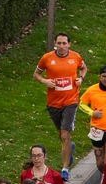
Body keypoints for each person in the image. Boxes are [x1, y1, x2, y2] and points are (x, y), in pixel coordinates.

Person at [34, 35, 87, 174]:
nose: (62, 46)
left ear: (69, 44)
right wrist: (45, 81)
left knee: (64, 134)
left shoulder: (75, 57)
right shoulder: (47, 58)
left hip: (70, 101)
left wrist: (81, 79)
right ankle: (70, 148)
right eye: (59, 43)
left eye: (64, 43)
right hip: (53, 102)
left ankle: (64, 169)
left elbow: (83, 68)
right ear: (55, 44)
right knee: (61, 135)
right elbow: (36, 74)